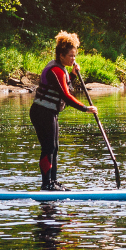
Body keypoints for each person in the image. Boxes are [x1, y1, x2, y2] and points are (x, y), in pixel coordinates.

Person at [29, 31, 97, 190]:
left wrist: (72, 76)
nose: (74, 59)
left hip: (49, 112)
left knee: (54, 147)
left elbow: (62, 87)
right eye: (71, 56)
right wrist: (85, 108)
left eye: (75, 56)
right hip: (42, 113)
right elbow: (65, 95)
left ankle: (53, 182)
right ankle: (47, 184)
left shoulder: (62, 69)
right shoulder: (56, 70)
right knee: (48, 147)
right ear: (61, 55)